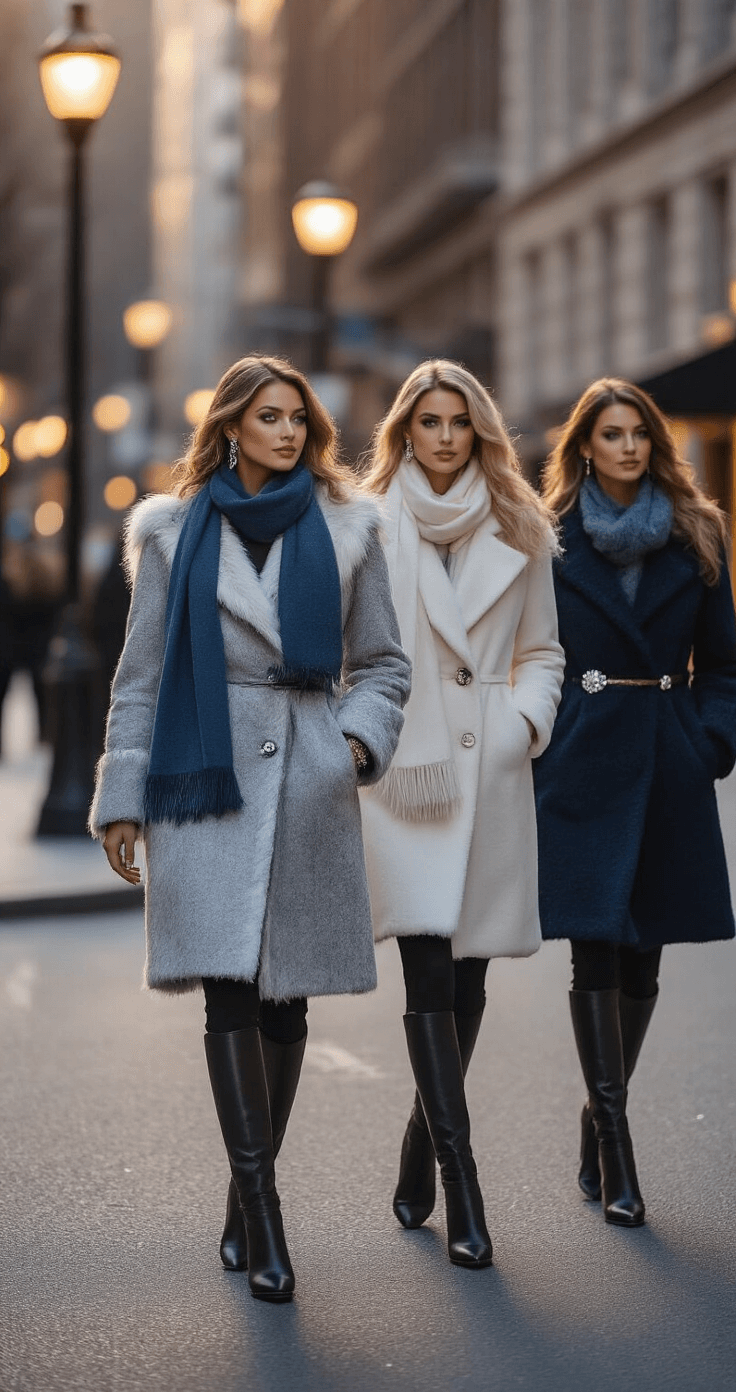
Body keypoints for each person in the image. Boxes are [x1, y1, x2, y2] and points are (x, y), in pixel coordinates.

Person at [90, 355, 410, 1302]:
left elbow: (385, 666)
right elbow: (140, 674)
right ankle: (265, 1214)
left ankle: (243, 1198)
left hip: (307, 779)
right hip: (205, 780)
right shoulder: (172, 533)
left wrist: (350, 749)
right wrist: (121, 796)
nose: (290, 433)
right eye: (270, 417)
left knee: (286, 1008)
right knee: (227, 995)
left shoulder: (350, 530)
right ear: (231, 426)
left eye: (300, 419)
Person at [359, 360, 564, 1268]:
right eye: (429, 421)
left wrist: (522, 722)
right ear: (405, 429)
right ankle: (463, 1189)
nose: (445, 437)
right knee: (429, 978)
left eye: (459, 423)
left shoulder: (521, 525)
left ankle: (416, 1148)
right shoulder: (363, 527)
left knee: (470, 983)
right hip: (408, 777)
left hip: (488, 773)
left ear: (480, 431)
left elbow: (543, 652)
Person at [534, 378, 736, 1227]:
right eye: (611, 435)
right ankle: (616, 1147)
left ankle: (596, 1113)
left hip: (666, 759)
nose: (627, 447)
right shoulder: (544, 538)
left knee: (644, 961)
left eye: (639, 435)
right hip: (581, 762)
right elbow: (528, 651)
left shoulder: (699, 533)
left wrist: (709, 741)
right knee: (595, 955)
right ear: (585, 446)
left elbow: (725, 665)